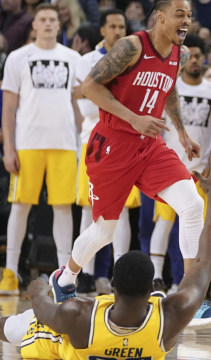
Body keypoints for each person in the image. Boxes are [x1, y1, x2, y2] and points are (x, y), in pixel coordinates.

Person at [0, 151, 211, 358]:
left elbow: (45, 311)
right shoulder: (173, 317)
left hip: (64, 345)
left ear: (111, 287)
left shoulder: (80, 314)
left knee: (33, 326)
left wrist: (38, 291)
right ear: (153, 289)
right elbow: (205, 260)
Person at [69, 0, 211, 328]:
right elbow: (88, 87)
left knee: (191, 203)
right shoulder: (131, 46)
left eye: (189, 15)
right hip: (113, 143)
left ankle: (190, 295)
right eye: (179, 14)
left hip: (150, 145)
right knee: (105, 231)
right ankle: (64, 278)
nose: (186, 20)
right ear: (159, 17)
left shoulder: (181, 54)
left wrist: (183, 133)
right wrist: (134, 119)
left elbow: (168, 89)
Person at [0, 3, 82, 296]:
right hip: (28, 143)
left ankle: (64, 278)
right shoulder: (18, 58)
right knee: (20, 207)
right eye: (42, 19)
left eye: (51, 20)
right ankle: (9, 273)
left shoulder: (73, 58)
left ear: (59, 25)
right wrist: (9, 147)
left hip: (65, 143)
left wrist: (83, 141)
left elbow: (77, 103)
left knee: (63, 208)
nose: (46, 24)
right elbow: (8, 107)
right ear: (34, 25)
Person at [147, 34, 211, 295]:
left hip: (201, 169)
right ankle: (157, 278)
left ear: (204, 58)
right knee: (164, 222)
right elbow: (155, 125)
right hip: (170, 164)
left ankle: (194, 282)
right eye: (189, 55)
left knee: (200, 226)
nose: (194, 60)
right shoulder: (170, 87)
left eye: (198, 56)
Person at [74, 8, 134, 296]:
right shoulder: (85, 61)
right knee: (90, 207)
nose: (117, 31)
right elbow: (86, 107)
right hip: (94, 140)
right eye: (112, 26)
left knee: (120, 211)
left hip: (125, 141)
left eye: (121, 25)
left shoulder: (135, 59)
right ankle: (84, 274)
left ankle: (119, 276)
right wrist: (116, 105)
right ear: (102, 30)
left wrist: (104, 100)